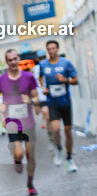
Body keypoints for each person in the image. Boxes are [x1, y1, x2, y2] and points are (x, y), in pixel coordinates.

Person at [0, 49, 40, 196]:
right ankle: (17, 159)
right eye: (10, 60)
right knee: (19, 153)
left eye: (15, 59)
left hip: (28, 123)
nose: (13, 62)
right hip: (12, 123)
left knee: (30, 155)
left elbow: (36, 98)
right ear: (6, 62)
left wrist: (31, 100)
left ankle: (30, 183)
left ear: (18, 59)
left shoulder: (29, 77)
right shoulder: (1, 80)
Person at [38, 40, 78, 173]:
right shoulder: (43, 64)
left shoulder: (66, 63)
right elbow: (40, 77)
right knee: (55, 129)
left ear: (58, 49)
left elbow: (76, 80)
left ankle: (69, 158)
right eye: (49, 49)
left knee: (68, 131)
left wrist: (65, 80)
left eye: (53, 48)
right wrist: (43, 88)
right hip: (52, 103)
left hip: (65, 103)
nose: (51, 51)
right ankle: (59, 150)